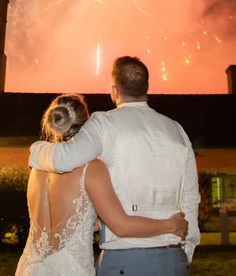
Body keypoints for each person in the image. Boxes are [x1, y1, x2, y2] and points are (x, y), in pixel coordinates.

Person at [29, 56, 200, 276]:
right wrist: (184, 253)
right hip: (172, 259)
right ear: (147, 88)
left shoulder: (103, 124)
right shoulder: (177, 130)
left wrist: (35, 150)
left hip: (124, 261)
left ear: (114, 91)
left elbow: (64, 159)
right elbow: (190, 198)